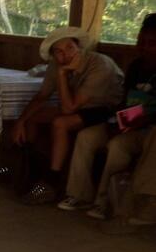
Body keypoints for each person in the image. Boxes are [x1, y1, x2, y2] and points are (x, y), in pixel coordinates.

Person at [11, 26, 124, 205]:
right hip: (76, 106)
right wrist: (20, 122)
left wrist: (62, 74)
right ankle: (30, 169)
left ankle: (52, 182)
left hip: (107, 110)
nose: (66, 55)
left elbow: (69, 109)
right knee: (34, 117)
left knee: (60, 123)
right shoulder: (55, 65)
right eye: (59, 51)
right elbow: (42, 96)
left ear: (79, 47)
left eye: (70, 48)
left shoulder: (99, 65)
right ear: (54, 55)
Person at [62, 14, 156, 218]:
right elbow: (124, 101)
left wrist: (125, 123)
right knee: (86, 137)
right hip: (128, 124)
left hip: (147, 131)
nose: (145, 47)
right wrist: (116, 121)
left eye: (152, 43)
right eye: (141, 41)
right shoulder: (136, 66)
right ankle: (79, 194)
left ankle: (104, 201)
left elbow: (151, 114)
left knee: (117, 146)